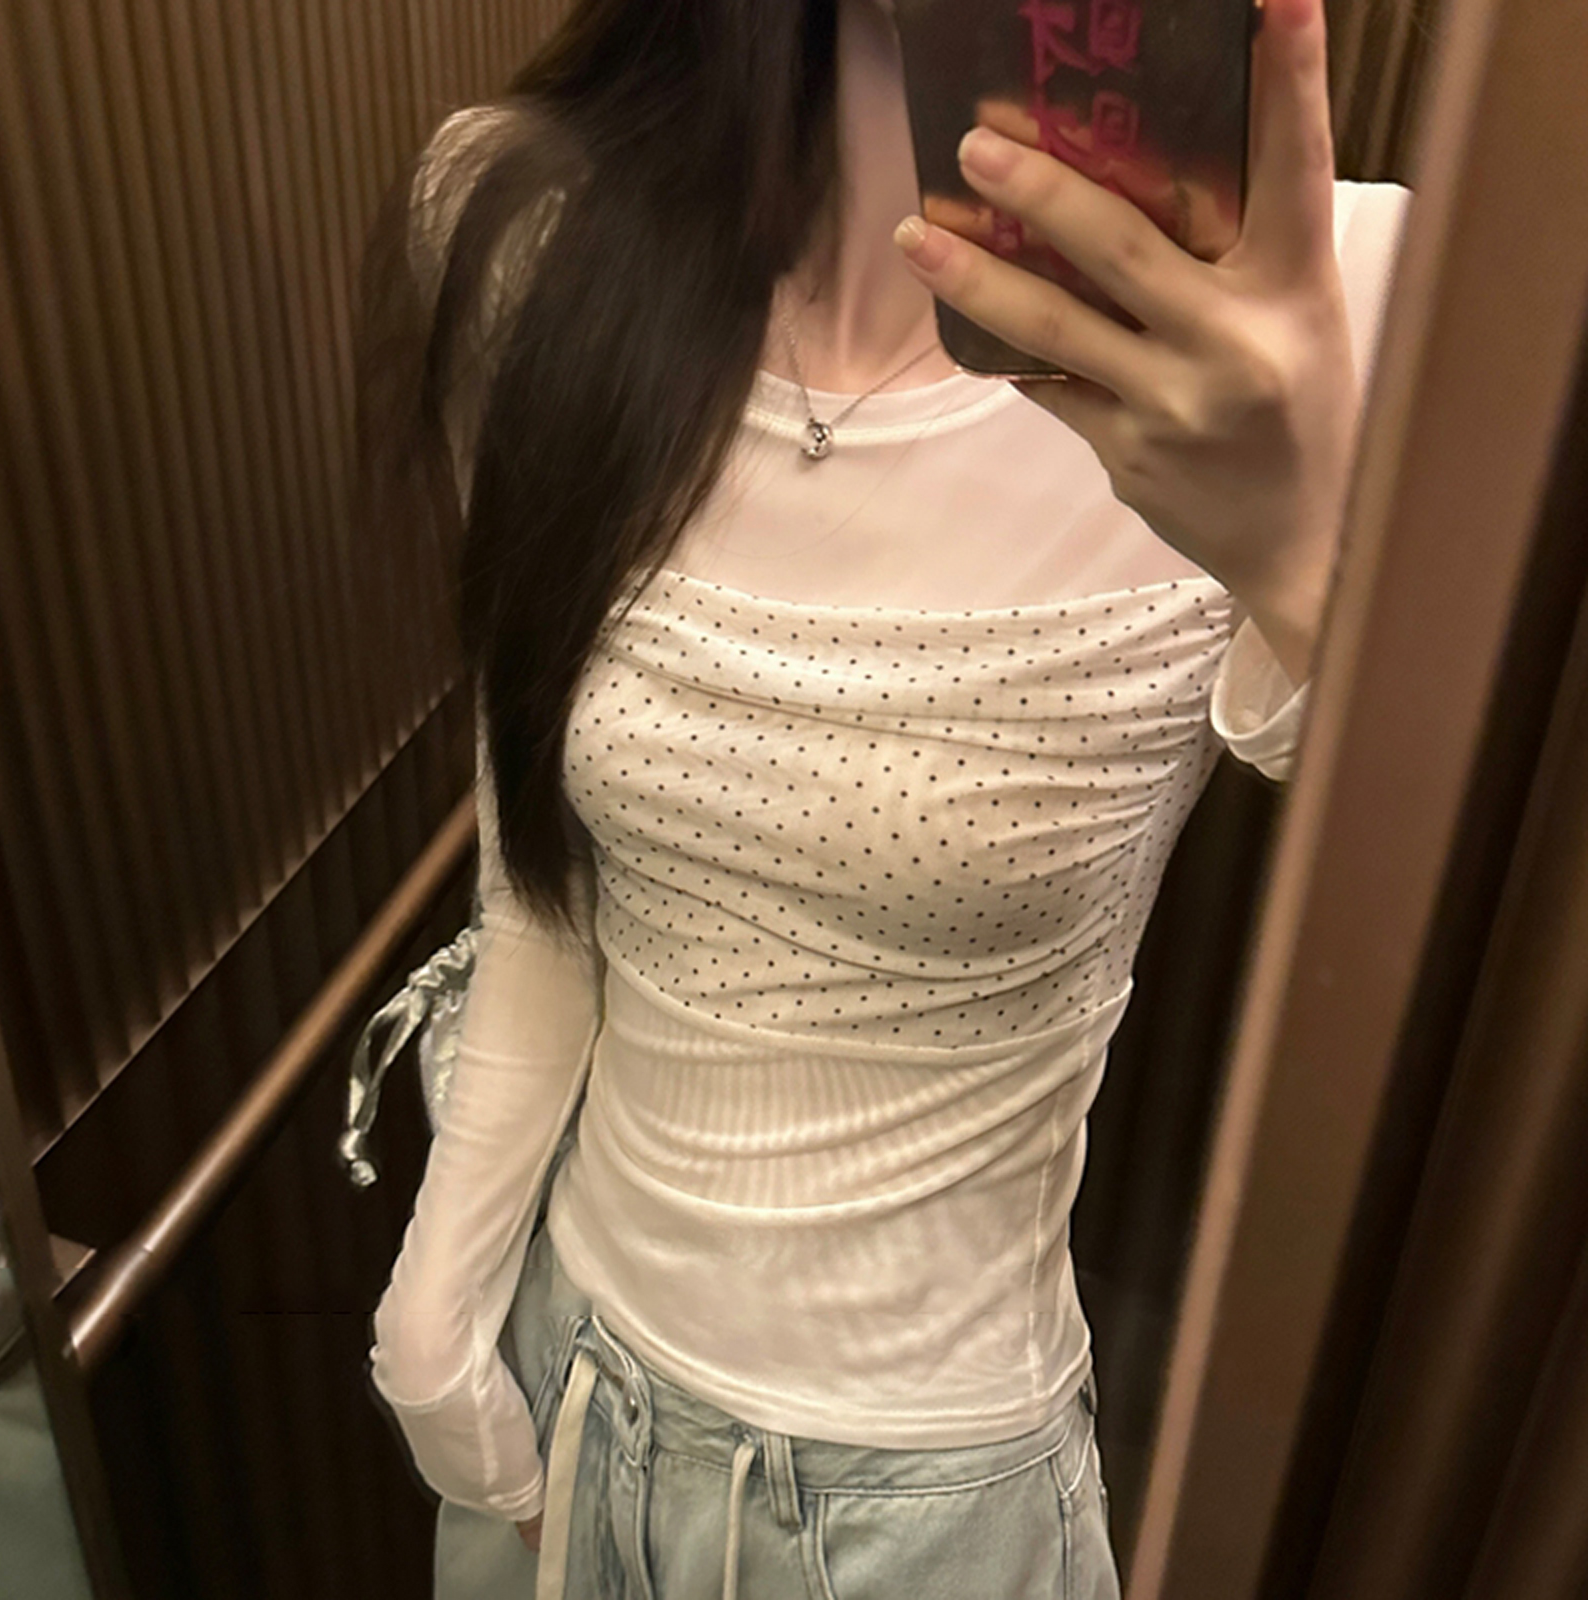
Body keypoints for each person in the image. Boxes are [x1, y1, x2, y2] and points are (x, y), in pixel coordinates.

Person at [357, 0, 1411, 1595]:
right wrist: (438, 1330)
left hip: (922, 1513)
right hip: (557, 1393)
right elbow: (549, 886)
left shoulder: (1360, 298)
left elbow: (1467, 993)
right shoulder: (528, 229)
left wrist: (1311, 574)